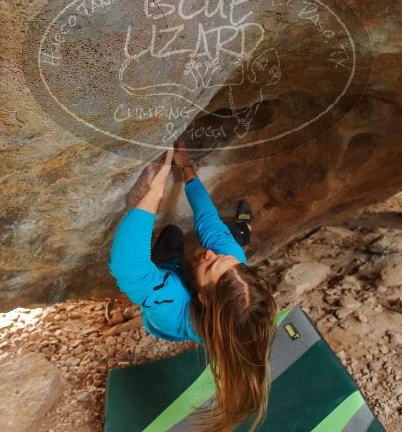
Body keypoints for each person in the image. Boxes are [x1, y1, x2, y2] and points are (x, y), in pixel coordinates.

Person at [108, 142, 278, 431]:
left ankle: (233, 234)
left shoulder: (173, 304)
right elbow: (208, 221)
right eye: (223, 260)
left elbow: (128, 267)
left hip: (168, 319)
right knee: (230, 238)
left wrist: (156, 190)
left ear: (201, 296)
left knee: (172, 240)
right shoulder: (234, 263)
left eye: (211, 265)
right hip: (213, 299)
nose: (212, 254)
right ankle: (242, 229)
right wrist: (187, 168)